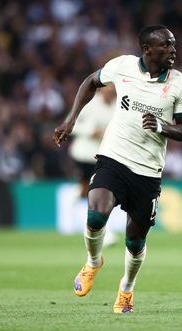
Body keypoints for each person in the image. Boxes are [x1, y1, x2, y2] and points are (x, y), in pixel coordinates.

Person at [53, 25, 182, 313]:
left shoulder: (180, 84)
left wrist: (162, 125)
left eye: (174, 45)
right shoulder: (122, 66)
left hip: (148, 171)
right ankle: (93, 262)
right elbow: (91, 82)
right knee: (96, 212)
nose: (173, 50)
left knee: (135, 240)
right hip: (114, 157)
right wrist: (71, 119)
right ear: (147, 50)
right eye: (166, 45)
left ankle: (126, 288)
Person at [68, 84, 120, 246]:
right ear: (101, 90)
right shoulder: (89, 104)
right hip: (84, 154)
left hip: (103, 155)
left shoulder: (118, 105)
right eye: (108, 91)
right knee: (93, 191)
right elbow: (72, 124)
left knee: (99, 190)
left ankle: (104, 231)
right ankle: (104, 232)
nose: (110, 94)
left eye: (113, 92)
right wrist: (91, 131)